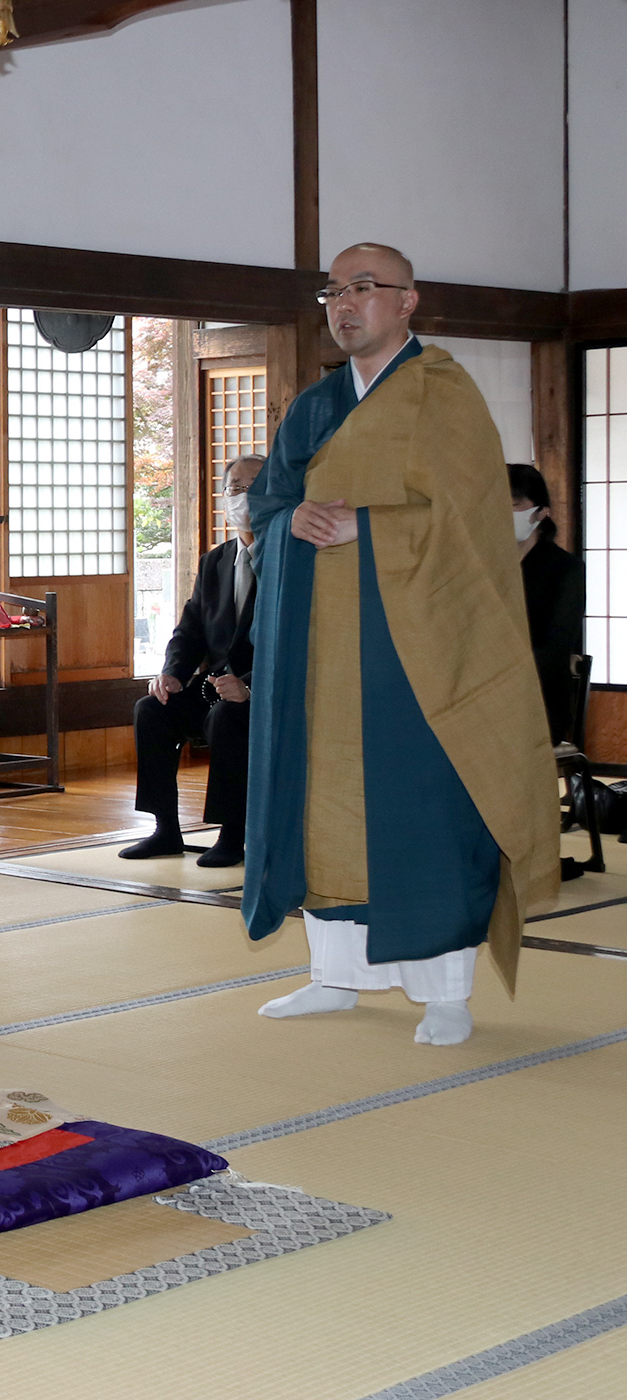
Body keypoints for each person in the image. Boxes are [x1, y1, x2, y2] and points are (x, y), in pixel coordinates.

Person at [244, 243, 557, 1046]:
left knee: (424, 808)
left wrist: (369, 526)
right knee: (325, 810)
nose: (345, 305)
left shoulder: (442, 397)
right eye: (333, 293)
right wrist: (292, 523)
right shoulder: (314, 406)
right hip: (320, 644)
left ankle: (447, 992)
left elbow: (479, 525)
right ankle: (334, 975)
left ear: (408, 301)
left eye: (363, 288)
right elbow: (269, 505)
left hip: (413, 645)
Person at [122, 452, 262, 868]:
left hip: (271, 689)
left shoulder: (293, 560)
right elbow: (191, 630)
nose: (242, 497)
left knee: (227, 718)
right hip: (215, 685)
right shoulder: (215, 561)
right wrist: (170, 674)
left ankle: (232, 834)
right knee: (152, 709)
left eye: (254, 488)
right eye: (235, 488)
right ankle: (166, 830)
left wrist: (250, 684)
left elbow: (298, 640)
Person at [508, 462, 584, 745]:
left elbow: (555, 648)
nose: (503, 513)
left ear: (541, 512)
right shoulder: (485, 566)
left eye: (514, 505)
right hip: (486, 691)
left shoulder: (565, 568)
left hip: (539, 700)